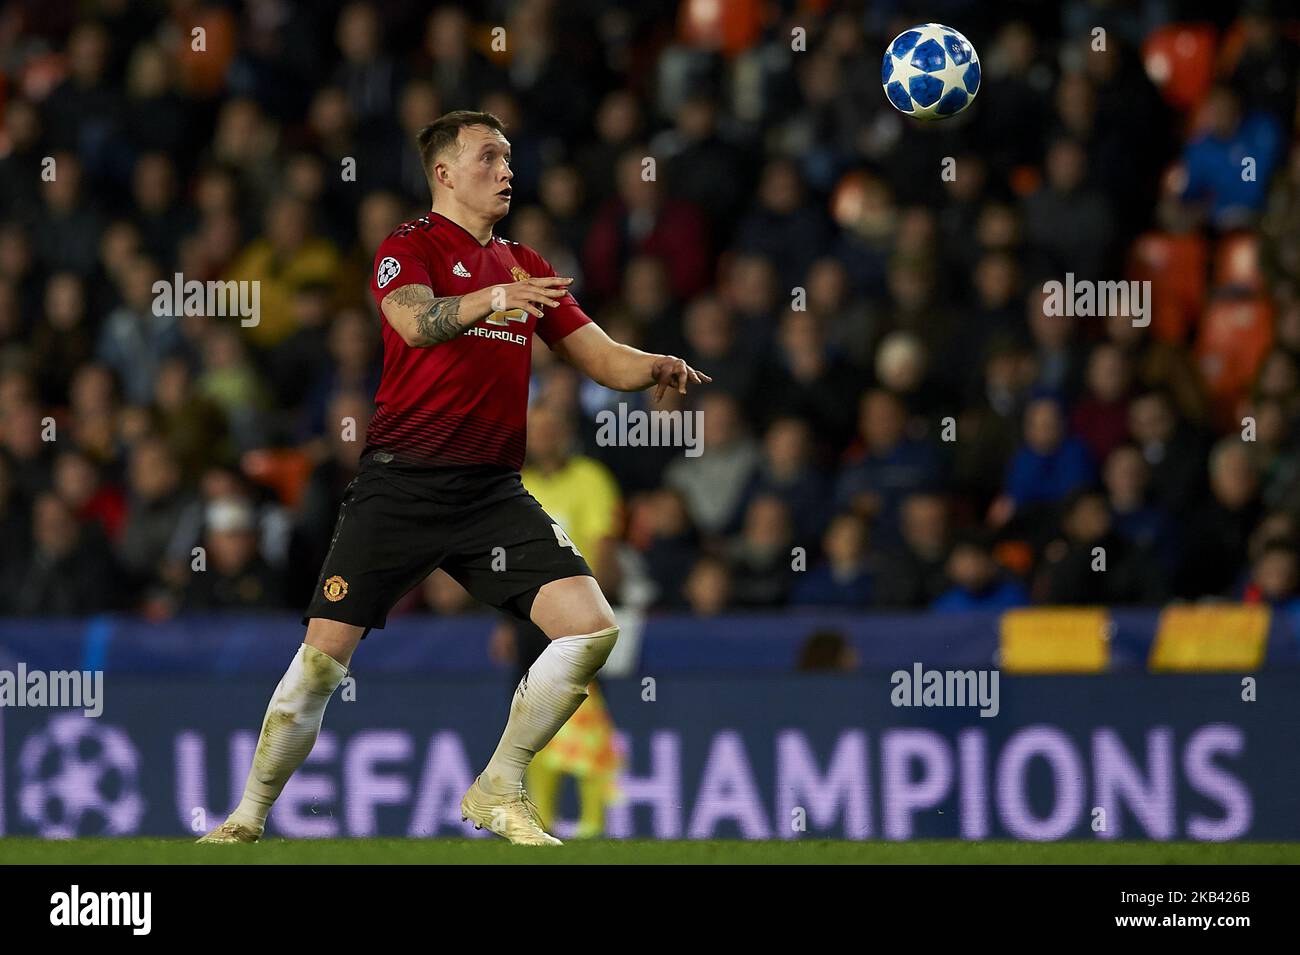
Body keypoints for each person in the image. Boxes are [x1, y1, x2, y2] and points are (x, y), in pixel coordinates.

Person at [199, 111, 709, 847]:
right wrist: (494, 300)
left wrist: (653, 364)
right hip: (400, 485)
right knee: (317, 667)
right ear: (444, 173)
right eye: (489, 157)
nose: (507, 170)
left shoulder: (525, 262)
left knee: (593, 628)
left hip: (491, 493)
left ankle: (500, 784)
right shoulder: (408, 247)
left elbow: (600, 357)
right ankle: (246, 818)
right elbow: (412, 322)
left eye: (509, 156)